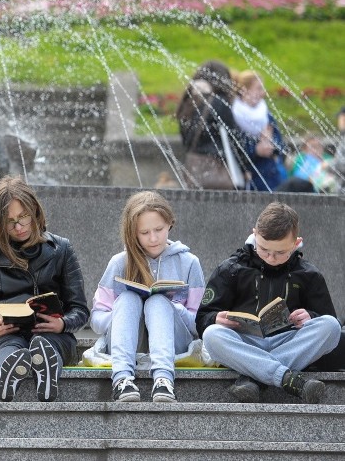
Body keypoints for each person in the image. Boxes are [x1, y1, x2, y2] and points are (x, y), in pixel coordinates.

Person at [196, 202, 341, 403]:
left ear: (296, 242)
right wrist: (215, 318)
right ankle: (287, 378)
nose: (271, 257)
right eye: (264, 249)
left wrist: (311, 316)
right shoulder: (231, 268)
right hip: (245, 342)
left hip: (289, 342)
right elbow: (202, 319)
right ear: (254, 235)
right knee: (212, 335)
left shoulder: (309, 274)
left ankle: (254, 377)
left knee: (331, 327)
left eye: (281, 252)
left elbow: (329, 320)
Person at [0, 175, 89, 402]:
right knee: (10, 347)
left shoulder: (61, 249)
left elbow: (80, 309)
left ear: (35, 212)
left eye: (23, 217)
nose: (19, 226)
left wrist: (62, 323)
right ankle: (11, 368)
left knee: (45, 344)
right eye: (10, 221)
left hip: (53, 335)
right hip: (5, 336)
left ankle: (47, 369)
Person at [90, 191, 205, 403]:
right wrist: (121, 313)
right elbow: (96, 320)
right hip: (128, 343)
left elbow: (200, 324)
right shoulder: (119, 263)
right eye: (144, 232)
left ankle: (163, 379)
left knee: (158, 301)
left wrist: (173, 308)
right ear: (133, 233)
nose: (153, 238)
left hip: (174, 344)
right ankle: (122, 379)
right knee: (127, 299)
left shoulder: (189, 262)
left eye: (159, 230)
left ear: (170, 224)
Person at [176, 61, 246, 190]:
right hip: (218, 169)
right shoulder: (219, 102)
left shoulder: (188, 100)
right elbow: (235, 139)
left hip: (194, 168)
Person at [232, 70, 287, 191]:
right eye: (258, 88)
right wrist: (256, 150)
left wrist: (271, 143)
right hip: (249, 181)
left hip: (272, 178)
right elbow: (234, 151)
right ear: (244, 90)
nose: (263, 93)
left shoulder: (265, 114)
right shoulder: (234, 116)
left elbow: (282, 146)